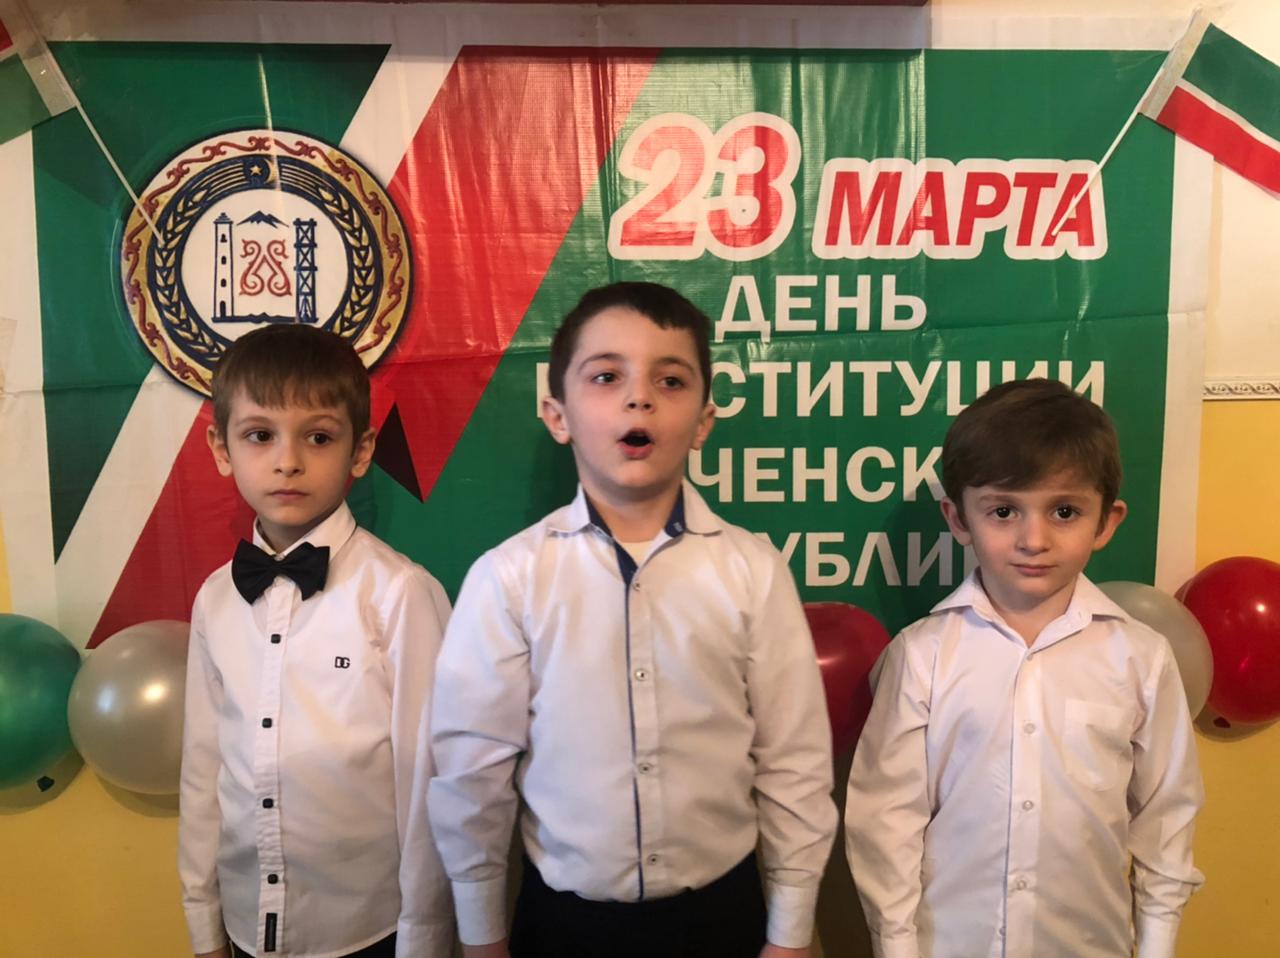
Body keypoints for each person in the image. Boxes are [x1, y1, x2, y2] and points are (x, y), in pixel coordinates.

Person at [428, 281, 838, 958]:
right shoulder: (509, 578)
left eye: (669, 380)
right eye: (606, 377)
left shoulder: (752, 571)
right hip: (565, 926)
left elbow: (793, 761)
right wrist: (479, 934)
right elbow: (472, 772)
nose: (638, 398)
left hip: (724, 916)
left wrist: (791, 932)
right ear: (557, 414)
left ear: (703, 421)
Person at [846, 377, 1204, 958]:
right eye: (1004, 511)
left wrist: (1157, 948)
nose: (1033, 539)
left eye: (1064, 511)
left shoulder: (1141, 659)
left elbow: (1166, 820)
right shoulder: (921, 656)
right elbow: (887, 825)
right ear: (958, 519)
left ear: (1106, 522)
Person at [179, 324, 453, 958]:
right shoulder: (215, 599)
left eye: (319, 437)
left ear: (361, 451)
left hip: (368, 929)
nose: (288, 461)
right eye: (260, 435)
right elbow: (202, 769)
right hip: (246, 924)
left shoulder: (401, 594)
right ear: (221, 448)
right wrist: (203, 922)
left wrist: (425, 938)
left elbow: (428, 784)